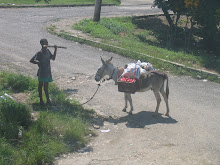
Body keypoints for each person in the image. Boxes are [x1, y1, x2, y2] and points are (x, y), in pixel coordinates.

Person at [30, 39, 57, 105]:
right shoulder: (40, 53)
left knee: (46, 86)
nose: (47, 44)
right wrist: (38, 62)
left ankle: (48, 99)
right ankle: (41, 100)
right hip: (42, 72)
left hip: (47, 71)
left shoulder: (48, 51)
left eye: (47, 42)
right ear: (42, 44)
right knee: (40, 85)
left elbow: (53, 58)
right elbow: (32, 60)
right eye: (45, 43)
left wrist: (55, 50)